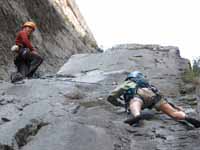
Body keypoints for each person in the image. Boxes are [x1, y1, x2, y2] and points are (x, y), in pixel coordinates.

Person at [107, 71, 200, 128]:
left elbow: (111, 97)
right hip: (155, 98)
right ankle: (185, 117)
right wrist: (175, 107)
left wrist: (120, 104)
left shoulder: (128, 82)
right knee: (173, 113)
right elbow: (162, 97)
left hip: (139, 96)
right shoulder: (149, 85)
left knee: (135, 102)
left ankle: (136, 115)